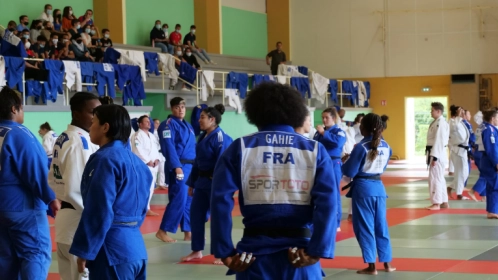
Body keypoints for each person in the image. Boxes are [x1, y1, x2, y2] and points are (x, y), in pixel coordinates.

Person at [210, 83, 337, 279]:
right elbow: (328, 203)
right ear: (296, 113)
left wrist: (224, 251)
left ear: (254, 112)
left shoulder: (239, 148)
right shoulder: (315, 150)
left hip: (253, 257)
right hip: (300, 257)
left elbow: (219, 201)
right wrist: (318, 249)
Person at [69, 104, 152, 278]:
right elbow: (143, 208)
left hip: (110, 249)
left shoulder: (104, 160)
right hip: (136, 247)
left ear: (105, 127)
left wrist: (85, 250)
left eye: (93, 123)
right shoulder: (139, 164)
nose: (90, 127)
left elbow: (99, 210)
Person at [0, 86, 60, 279]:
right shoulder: (19, 134)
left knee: (6, 258)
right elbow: (36, 172)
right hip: (22, 208)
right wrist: (51, 198)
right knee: (35, 254)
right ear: (14, 109)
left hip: (2, 208)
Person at [48, 92, 101, 280]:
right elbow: (78, 187)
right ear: (77, 114)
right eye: (92, 112)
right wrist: (95, 221)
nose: (96, 116)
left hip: (66, 220)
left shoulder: (64, 136)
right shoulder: (80, 141)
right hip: (78, 222)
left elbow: (53, 180)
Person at [342, 113, 396, 275]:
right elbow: (383, 168)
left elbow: (350, 171)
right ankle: (387, 264)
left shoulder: (360, 147)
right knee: (381, 226)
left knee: (365, 227)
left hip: (363, 189)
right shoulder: (387, 146)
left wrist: (345, 161)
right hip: (379, 188)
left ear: (363, 128)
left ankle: (372, 266)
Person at [181, 104, 233, 265]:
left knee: (219, 218)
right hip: (202, 182)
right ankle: (197, 250)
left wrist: (220, 186)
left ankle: (221, 253)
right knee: (196, 216)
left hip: (217, 183)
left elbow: (222, 164)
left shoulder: (220, 137)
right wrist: (192, 183)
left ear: (212, 119)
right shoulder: (203, 136)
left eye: (202, 117)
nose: (199, 120)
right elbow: (197, 162)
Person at [156, 97, 196, 243]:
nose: (181, 110)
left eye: (183, 107)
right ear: (172, 108)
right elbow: (168, 146)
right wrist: (177, 167)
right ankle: (162, 230)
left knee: (188, 200)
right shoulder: (167, 125)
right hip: (178, 166)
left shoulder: (189, 126)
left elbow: (192, 147)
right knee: (178, 198)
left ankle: (188, 232)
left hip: (190, 166)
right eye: (178, 107)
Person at [314, 107, 346, 231]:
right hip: (320, 163)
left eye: (327, 117)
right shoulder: (318, 132)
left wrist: (324, 133)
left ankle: (336, 222)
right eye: (323, 117)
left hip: (333, 163)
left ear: (333, 118)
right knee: (319, 191)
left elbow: (338, 143)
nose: (324, 120)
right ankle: (322, 219)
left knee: (334, 192)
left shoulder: (339, 131)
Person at [132, 115, 161, 216]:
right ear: (140, 124)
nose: (149, 123)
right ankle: (143, 209)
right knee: (143, 188)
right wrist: (148, 161)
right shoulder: (137, 135)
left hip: (153, 166)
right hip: (143, 166)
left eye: (149, 121)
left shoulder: (152, 135)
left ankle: (146, 208)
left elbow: (156, 149)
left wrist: (157, 159)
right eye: (146, 121)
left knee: (151, 188)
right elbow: (137, 150)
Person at [426, 102, 450, 210]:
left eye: (432, 110)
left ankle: (436, 203)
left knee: (435, 178)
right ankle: (444, 202)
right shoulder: (437, 122)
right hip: (437, 152)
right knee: (440, 178)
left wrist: (434, 157)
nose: (431, 112)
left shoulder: (441, 123)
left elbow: (439, 141)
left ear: (438, 111)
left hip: (437, 153)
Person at [478, 109, 498, 218]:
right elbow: (492, 148)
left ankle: (492, 211)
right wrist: (496, 162)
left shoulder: (487, 128)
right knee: (495, 186)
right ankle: (493, 211)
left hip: (486, 160)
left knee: (492, 186)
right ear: (492, 119)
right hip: (490, 161)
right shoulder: (489, 130)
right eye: (497, 118)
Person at [448, 107, 470, 200]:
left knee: (464, 173)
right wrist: (457, 116)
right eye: (460, 111)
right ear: (456, 113)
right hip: (457, 150)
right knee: (461, 173)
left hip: (463, 150)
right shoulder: (452, 122)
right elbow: (454, 128)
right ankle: (459, 194)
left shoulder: (460, 122)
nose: (462, 112)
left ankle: (451, 187)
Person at [469, 111, 487, 202]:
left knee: (483, 174)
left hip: (478, 152)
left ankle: (484, 196)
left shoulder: (480, 127)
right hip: (482, 153)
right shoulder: (486, 128)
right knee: (486, 174)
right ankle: (473, 191)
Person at [153, 118, 167, 190]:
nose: (158, 124)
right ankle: (153, 184)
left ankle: (161, 183)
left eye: (159, 123)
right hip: (155, 153)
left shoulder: (161, 132)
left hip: (161, 153)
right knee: (155, 170)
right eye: (156, 123)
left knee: (162, 170)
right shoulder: (151, 133)